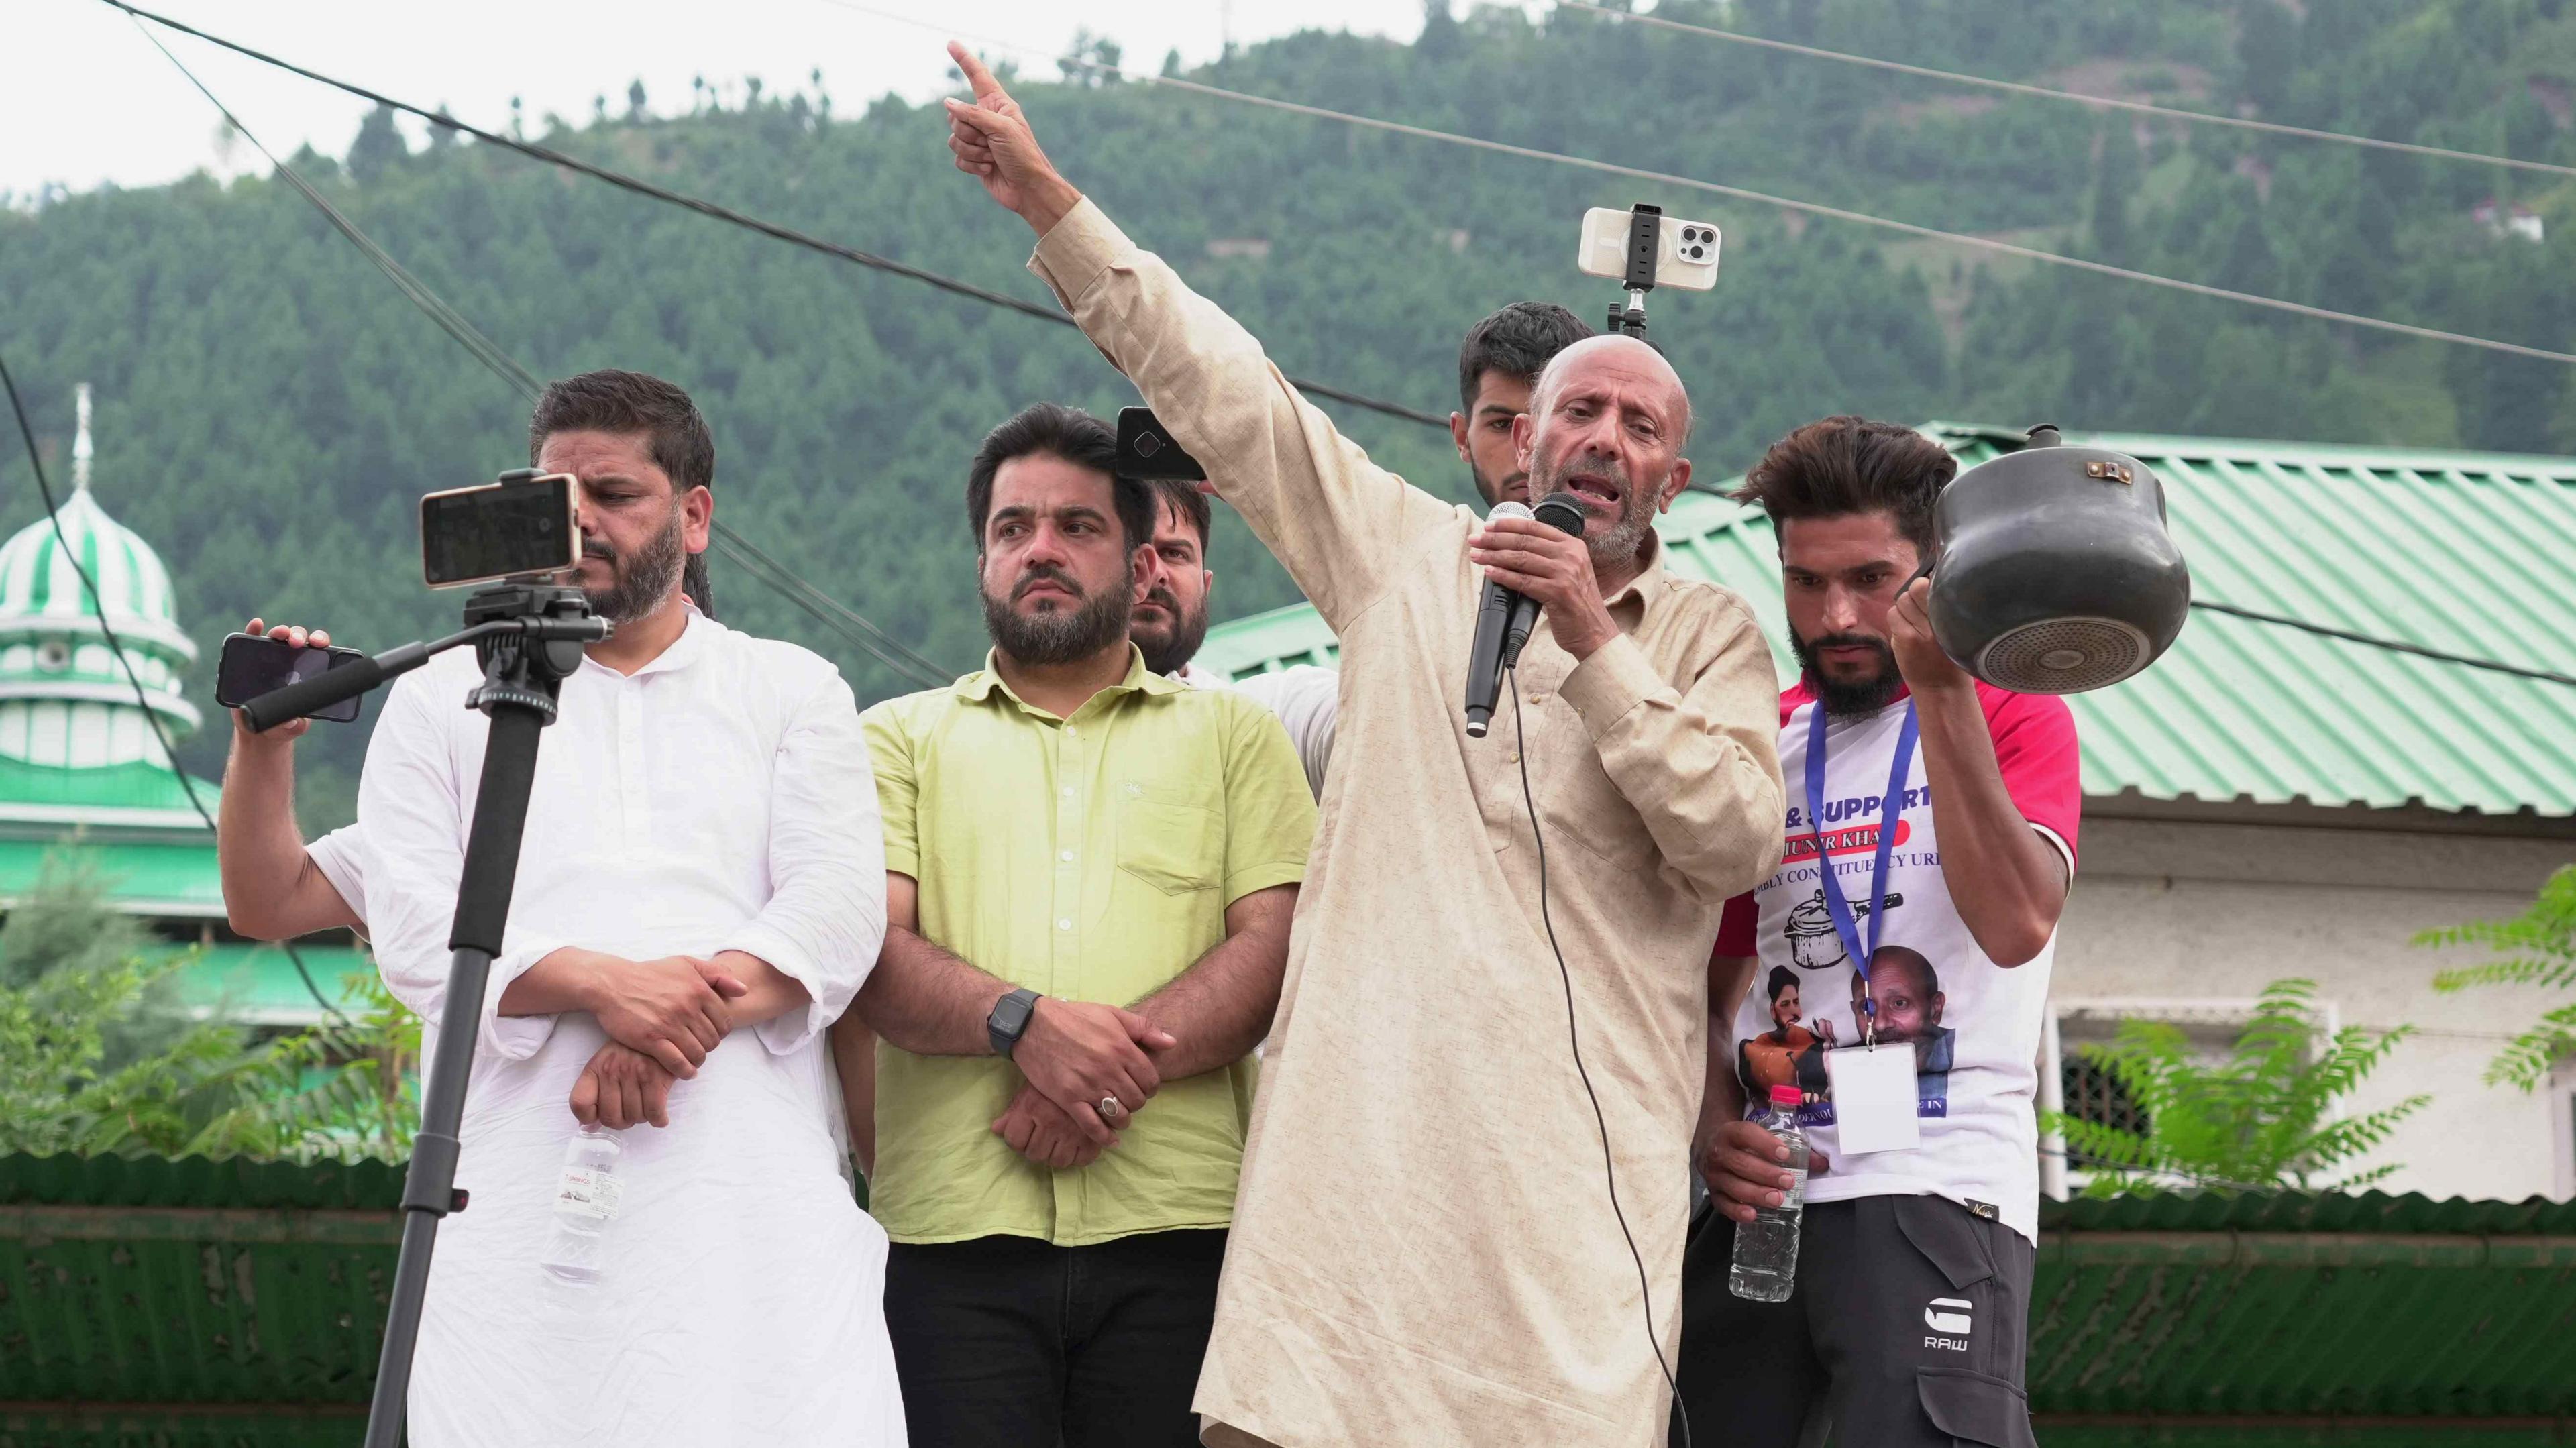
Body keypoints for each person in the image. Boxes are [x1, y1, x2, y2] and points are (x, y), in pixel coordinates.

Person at [941, 46, 1786, 1445]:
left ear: (1674, 479)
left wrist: (1593, 638)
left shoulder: (1708, 638)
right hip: (1358, 1219)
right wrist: (1050, 203)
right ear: (1516, 447)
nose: (1602, 436)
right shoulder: (1406, 556)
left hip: (1570, 1244)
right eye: (1577, 409)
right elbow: (1231, 391)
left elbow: (1734, 836)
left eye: (1640, 424)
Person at [355, 369, 904, 1446]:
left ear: (694, 516)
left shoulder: (791, 687)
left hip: (749, 1212)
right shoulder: (439, 694)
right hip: (512, 1208)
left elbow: (838, 910)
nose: (584, 523)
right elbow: (415, 926)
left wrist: (662, 1030)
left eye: (616, 494)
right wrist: (608, 985)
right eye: (561, 496)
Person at [842, 402, 1315, 1447]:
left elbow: (1274, 951)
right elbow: (872, 955)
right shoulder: (895, 741)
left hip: (1185, 1236)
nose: (1040, 549)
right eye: (1013, 528)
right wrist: (1025, 1024)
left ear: (1144, 561)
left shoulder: (1237, 737)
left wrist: (1088, 1072)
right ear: (982, 558)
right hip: (954, 1241)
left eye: (1077, 526)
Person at [1678, 415, 2080, 1448]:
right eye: (1807, 582)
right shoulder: (1760, 734)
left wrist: (1942, 688)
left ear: (1933, 569)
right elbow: (1705, 981)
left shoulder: (2010, 707)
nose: (1838, 613)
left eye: (1871, 577)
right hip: (1767, 1201)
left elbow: (2017, 920)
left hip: (1937, 1186)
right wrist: (1713, 1123)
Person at [1133, 478, 1338, 798]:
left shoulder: (1272, 716)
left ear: (1206, 587)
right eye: (1133, 552)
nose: (1154, 571)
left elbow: (1376, 718)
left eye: (1174, 553)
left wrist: (1286, 503)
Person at [1452, 300, 1596, 508]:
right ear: (1463, 438)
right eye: (1503, 425)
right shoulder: (1427, 537)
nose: (1526, 451)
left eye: (1548, 425)